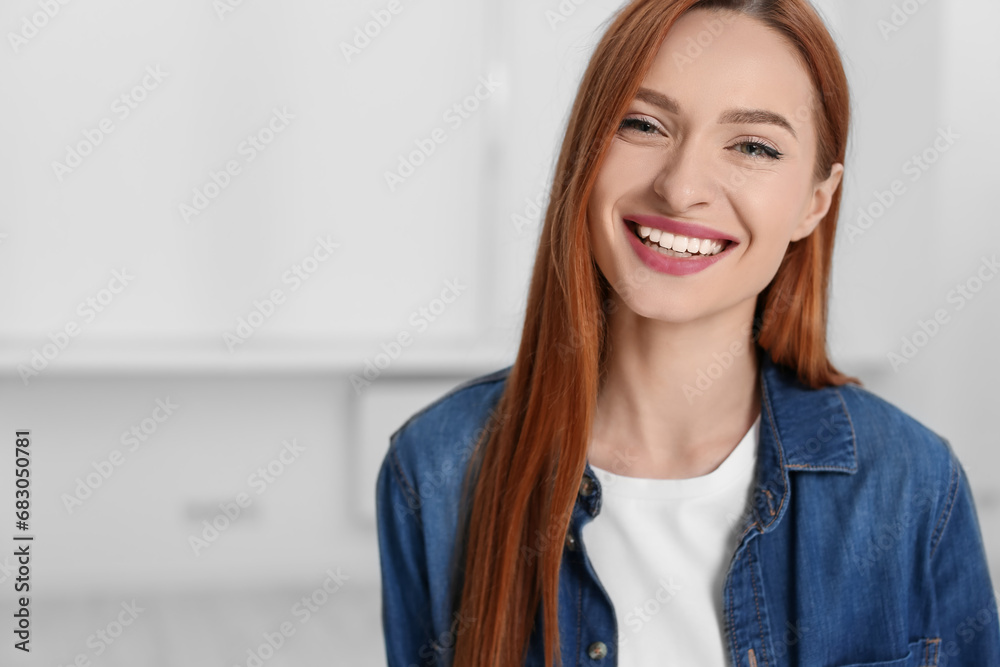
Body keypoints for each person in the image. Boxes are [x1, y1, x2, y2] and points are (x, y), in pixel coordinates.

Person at [376, 0, 1000, 665]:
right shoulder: (436, 469)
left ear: (814, 202)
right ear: (586, 152)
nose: (680, 188)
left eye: (753, 145)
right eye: (643, 124)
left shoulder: (912, 482)